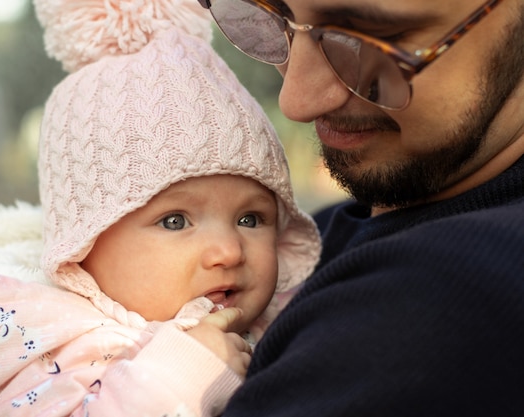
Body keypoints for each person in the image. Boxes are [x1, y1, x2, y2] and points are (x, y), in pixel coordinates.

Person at [0, 1, 320, 416]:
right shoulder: (55, 342)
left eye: (251, 219)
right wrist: (180, 377)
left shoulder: (298, 322)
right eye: (175, 221)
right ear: (83, 245)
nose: (228, 251)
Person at [197, 0, 524, 415]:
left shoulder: (443, 298)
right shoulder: (316, 236)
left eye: (370, 39)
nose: (296, 100)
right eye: (267, 15)